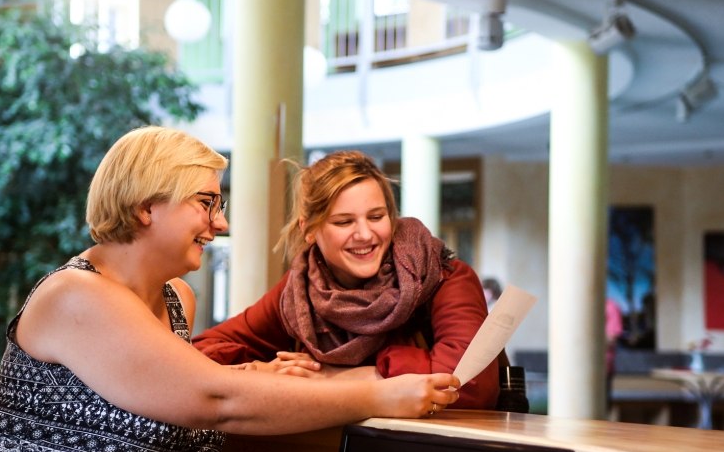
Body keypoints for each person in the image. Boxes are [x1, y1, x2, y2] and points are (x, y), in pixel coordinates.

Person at [0, 127, 458, 452]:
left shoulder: (176, 299)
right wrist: (377, 396)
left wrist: (258, 373)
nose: (222, 223)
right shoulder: (76, 296)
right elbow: (218, 400)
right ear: (146, 207)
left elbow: (182, 387)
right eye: (207, 203)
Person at [193, 150, 498, 409]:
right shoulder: (299, 292)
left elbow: (469, 387)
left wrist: (333, 378)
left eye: (377, 217)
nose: (365, 234)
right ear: (309, 230)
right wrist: (261, 371)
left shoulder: (444, 276)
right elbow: (202, 353)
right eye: (344, 221)